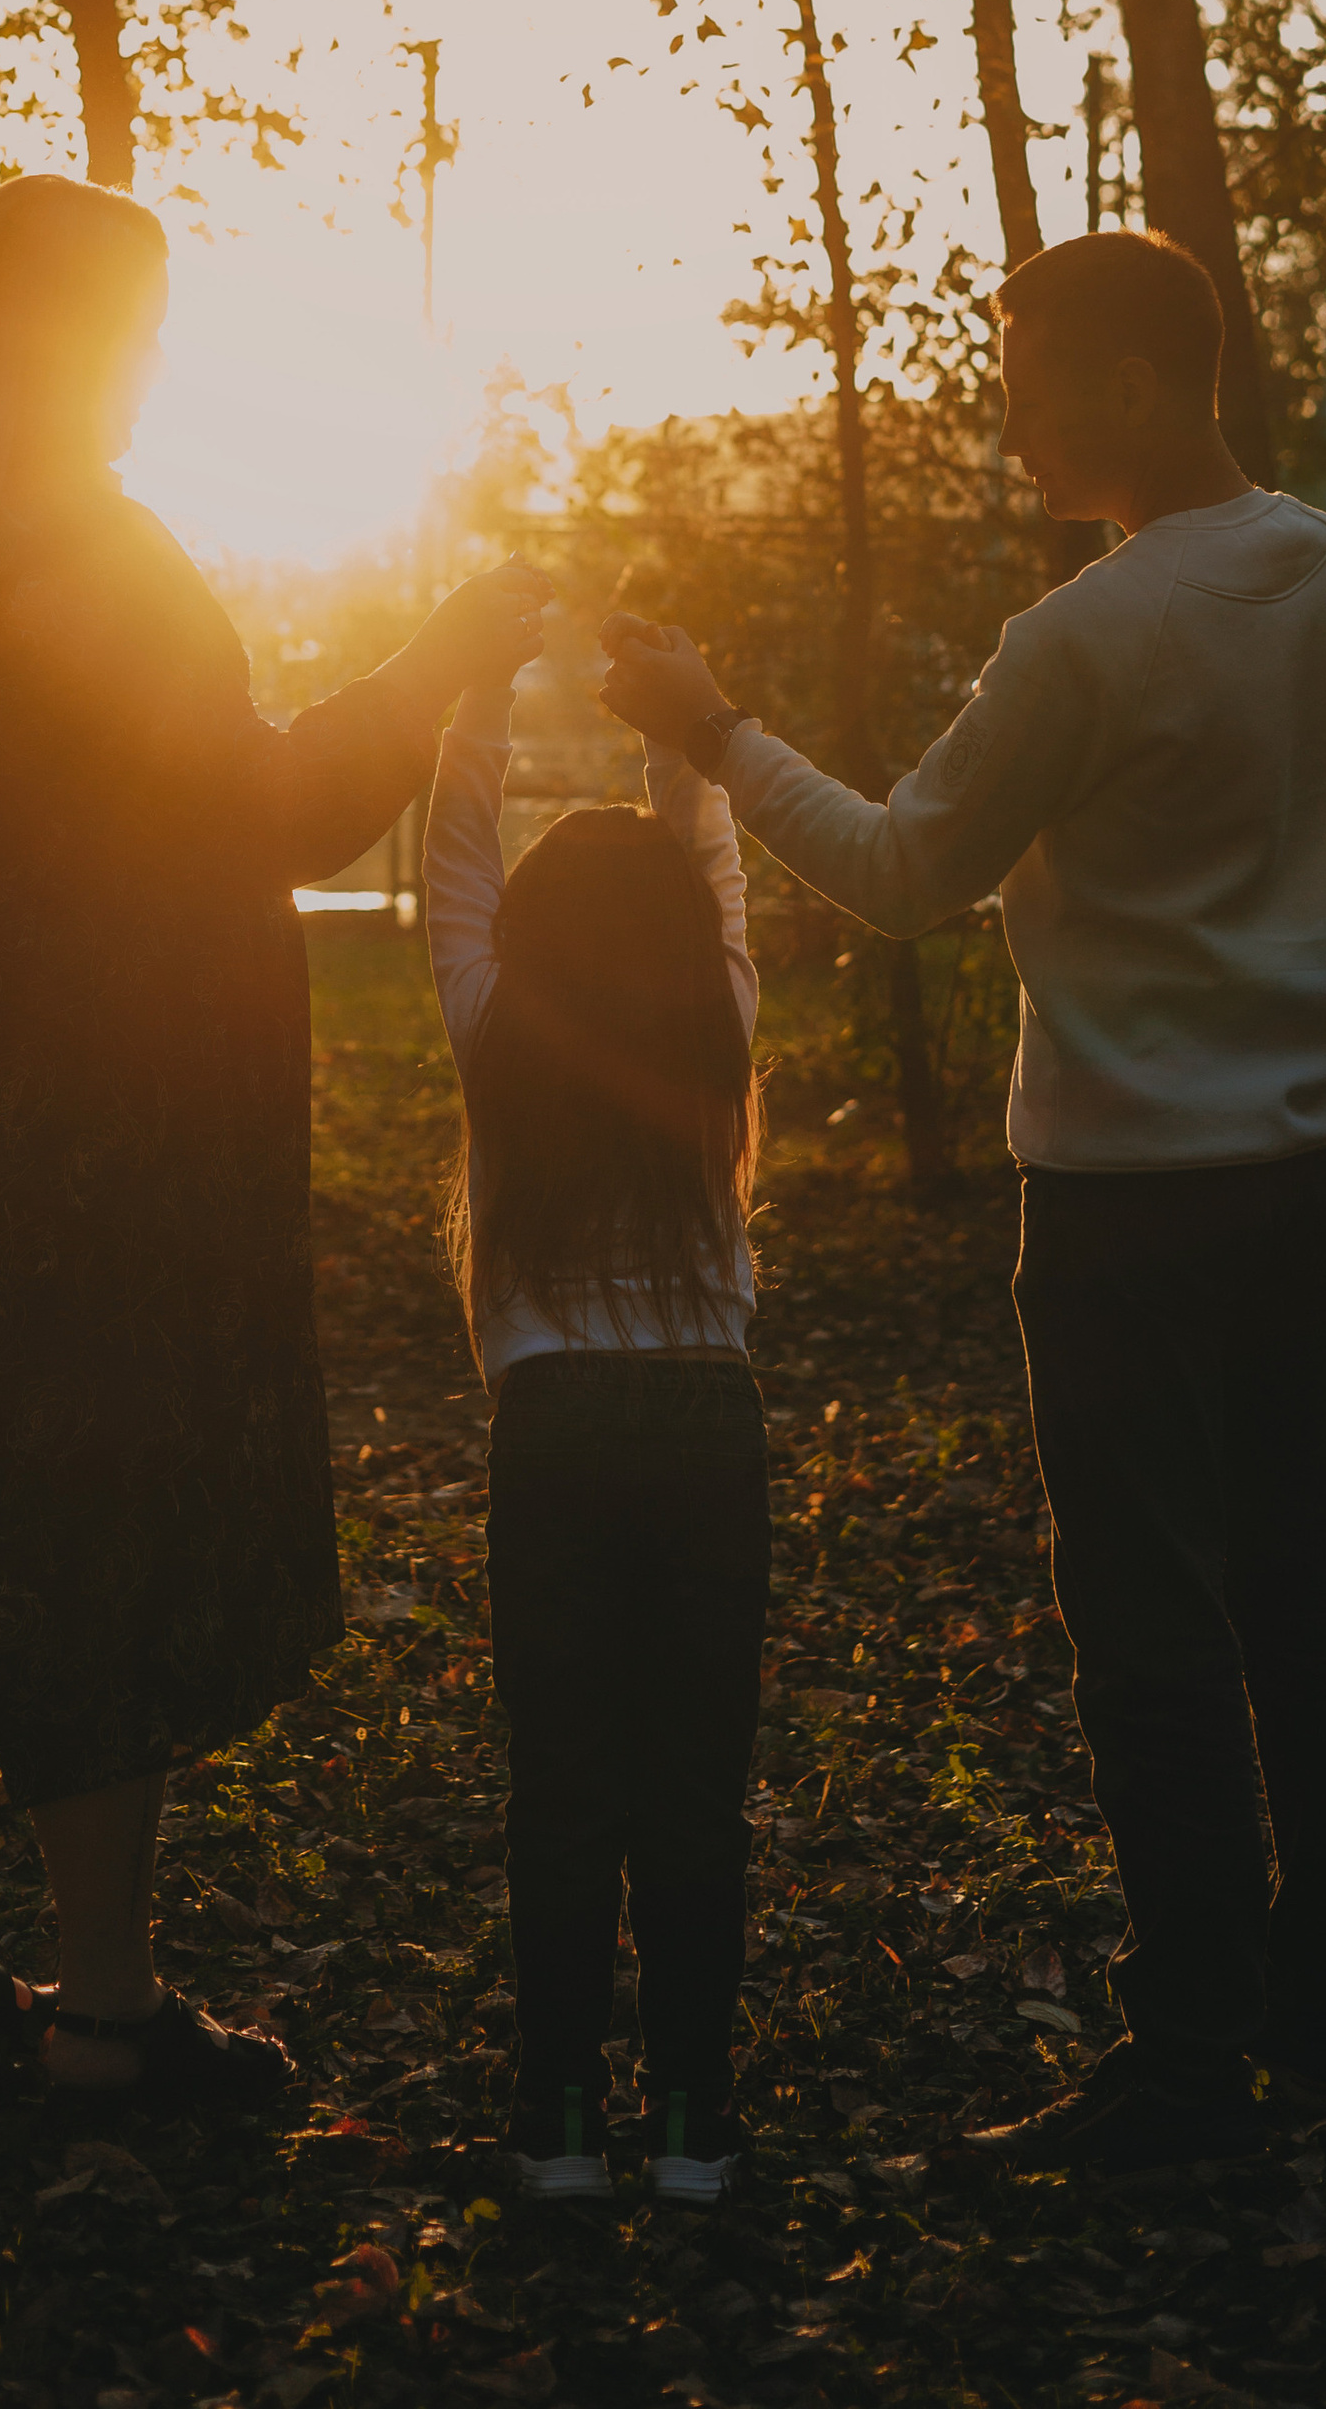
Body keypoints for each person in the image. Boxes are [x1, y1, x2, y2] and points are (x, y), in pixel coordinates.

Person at [599, 231, 1326, 2183]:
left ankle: (1185, 2067)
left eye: (1025, 368)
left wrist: (707, 733)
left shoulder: (1088, 635)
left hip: (1112, 1213)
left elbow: (907, 875)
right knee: (1297, 1585)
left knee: (1148, 1621)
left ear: (1142, 386)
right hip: (1281, 1192)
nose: (1000, 404)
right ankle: (1322, 2019)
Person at [0, 172, 548, 2103]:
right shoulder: (98, 567)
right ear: (80, 347)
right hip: (102, 1141)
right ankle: (106, 2009)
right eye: (144, 332)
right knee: (100, 1530)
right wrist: (431, 670)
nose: (158, 366)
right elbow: (254, 812)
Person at [424, 617, 769, 2204]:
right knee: (695, 1779)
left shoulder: (500, 1030)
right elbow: (720, 866)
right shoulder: (718, 1028)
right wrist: (680, 734)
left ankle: (561, 2121)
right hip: (708, 1426)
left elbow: (457, 868)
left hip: (554, 1428)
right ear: (688, 945)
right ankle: (692, 2126)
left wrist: (479, 698)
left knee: (561, 1779)